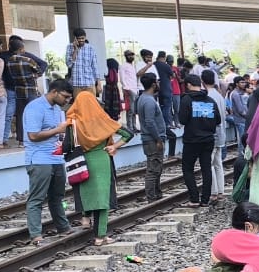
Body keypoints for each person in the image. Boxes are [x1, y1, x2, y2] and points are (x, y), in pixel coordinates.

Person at [67, 91, 126, 244]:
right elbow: (128, 134)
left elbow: (67, 146)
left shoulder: (73, 123)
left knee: (88, 195)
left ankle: (85, 218)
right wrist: (114, 146)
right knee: (102, 199)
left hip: (82, 162)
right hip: (102, 160)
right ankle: (100, 236)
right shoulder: (103, 120)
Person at [21, 79, 74, 244]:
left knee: (57, 196)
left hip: (56, 158)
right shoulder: (35, 107)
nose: (67, 101)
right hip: (39, 158)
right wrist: (58, 130)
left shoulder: (57, 109)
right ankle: (36, 234)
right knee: (37, 198)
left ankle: (63, 227)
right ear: (54, 92)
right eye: (65, 97)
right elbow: (33, 135)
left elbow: (58, 133)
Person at [179, 74, 222, 207]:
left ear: (188, 85)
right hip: (208, 139)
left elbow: (182, 120)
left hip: (191, 140)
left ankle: (194, 198)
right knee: (206, 168)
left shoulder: (186, 99)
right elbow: (218, 120)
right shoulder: (210, 100)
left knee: (188, 168)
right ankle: (205, 199)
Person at [6, 38, 43, 150]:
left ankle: (21, 141)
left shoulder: (9, 61)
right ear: (21, 49)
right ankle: (33, 138)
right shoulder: (28, 60)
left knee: (20, 116)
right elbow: (39, 70)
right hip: (31, 90)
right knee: (33, 115)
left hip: (18, 91)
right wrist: (33, 76)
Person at [138, 74, 167, 201]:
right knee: (153, 169)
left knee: (156, 167)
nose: (159, 84)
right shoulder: (149, 101)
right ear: (154, 84)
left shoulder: (142, 98)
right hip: (152, 140)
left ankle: (157, 194)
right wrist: (158, 139)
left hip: (149, 139)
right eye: (157, 82)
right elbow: (149, 122)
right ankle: (151, 197)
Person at [203, 69, 229, 200]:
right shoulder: (219, 96)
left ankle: (213, 191)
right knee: (218, 163)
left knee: (209, 163)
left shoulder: (207, 97)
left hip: (211, 134)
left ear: (202, 81)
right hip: (221, 133)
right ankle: (221, 191)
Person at [64, 28, 102, 96]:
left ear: (85, 37)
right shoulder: (69, 47)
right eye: (79, 38)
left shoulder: (91, 48)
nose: (81, 40)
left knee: (91, 102)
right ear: (75, 38)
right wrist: (75, 50)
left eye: (83, 38)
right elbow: (69, 65)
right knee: (79, 103)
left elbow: (95, 66)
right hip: (76, 85)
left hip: (90, 84)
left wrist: (98, 83)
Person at [118, 50, 140, 131]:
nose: (131, 56)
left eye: (132, 55)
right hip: (129, 90)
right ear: (125, 56)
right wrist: (126, 88)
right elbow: (122, 78)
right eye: (129, 55)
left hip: (135, 90)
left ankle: (134, 126)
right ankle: (130, 128)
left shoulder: (133, 66)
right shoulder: (123, 66)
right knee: (130, 110)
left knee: (134, 110)